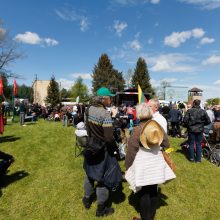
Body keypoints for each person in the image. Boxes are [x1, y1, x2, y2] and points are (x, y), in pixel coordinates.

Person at [125, 103, 176, 220]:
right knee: (153, 189)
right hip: (156, 160)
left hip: (143, 162)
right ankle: (151, 217)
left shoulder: (137, 129)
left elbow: (131, 151)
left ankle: (145, 218)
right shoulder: (157, 127)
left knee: (144, 192)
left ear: (138, 115)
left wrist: (128, 166)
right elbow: (167, 143)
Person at [82, 87, 122, 217]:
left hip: (90, 146)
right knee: (103, 179)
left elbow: (86, 126)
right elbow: (109, 137)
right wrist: (114, 118)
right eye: (109, 97)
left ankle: (87, 199)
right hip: (102, 150)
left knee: (89, 174)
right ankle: (101, 209)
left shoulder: (88, 109)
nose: (111, 99)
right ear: (103, 99)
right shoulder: (105, 114)